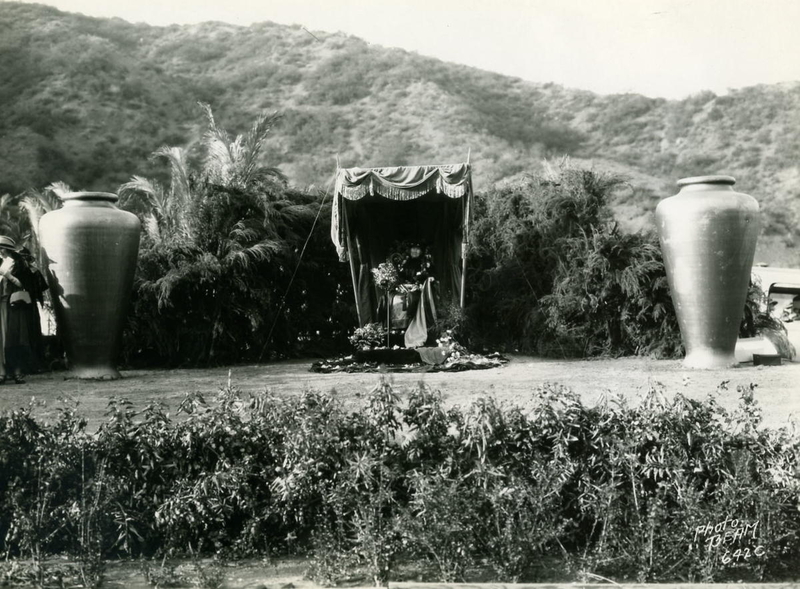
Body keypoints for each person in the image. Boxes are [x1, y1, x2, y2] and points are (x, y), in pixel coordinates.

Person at [0, 237, 39, 384]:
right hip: (1, 304)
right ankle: (2, 372)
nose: (0, 251)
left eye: (2, 248)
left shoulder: (18, 264)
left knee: (15, 339)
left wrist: (8, 275)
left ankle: (17, 372)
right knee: (1, 339)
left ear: (8, 249)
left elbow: (25, 284)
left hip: (13, 305)